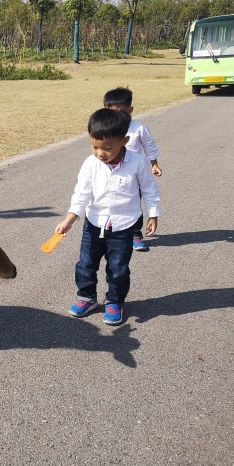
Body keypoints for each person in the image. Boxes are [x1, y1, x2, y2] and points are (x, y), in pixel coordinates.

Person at [55, 108, 161, 325]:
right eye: (94, 146)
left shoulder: (137, 163)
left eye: (107, 147)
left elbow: (150, 189)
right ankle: (86, 297)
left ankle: (115, 301)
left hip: (123, 226)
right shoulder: (90, 163)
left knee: (118, 268)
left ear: (124, 140)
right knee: (85, 264)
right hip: (94, 224)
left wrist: (153, 214)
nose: (100, 153)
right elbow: (81, 193)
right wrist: (69, 219)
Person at [103, 87, 162, 252]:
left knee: (134, 204)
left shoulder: (139, 128)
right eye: (111, 111)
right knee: (112, 200)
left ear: (130, 110)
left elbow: (149, 147)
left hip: (135, 174)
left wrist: (154, 164)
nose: (116, 116)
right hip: (112, 173)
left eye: (121, 111)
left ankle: (135, 234)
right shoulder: (107, 128)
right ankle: (111, 230)